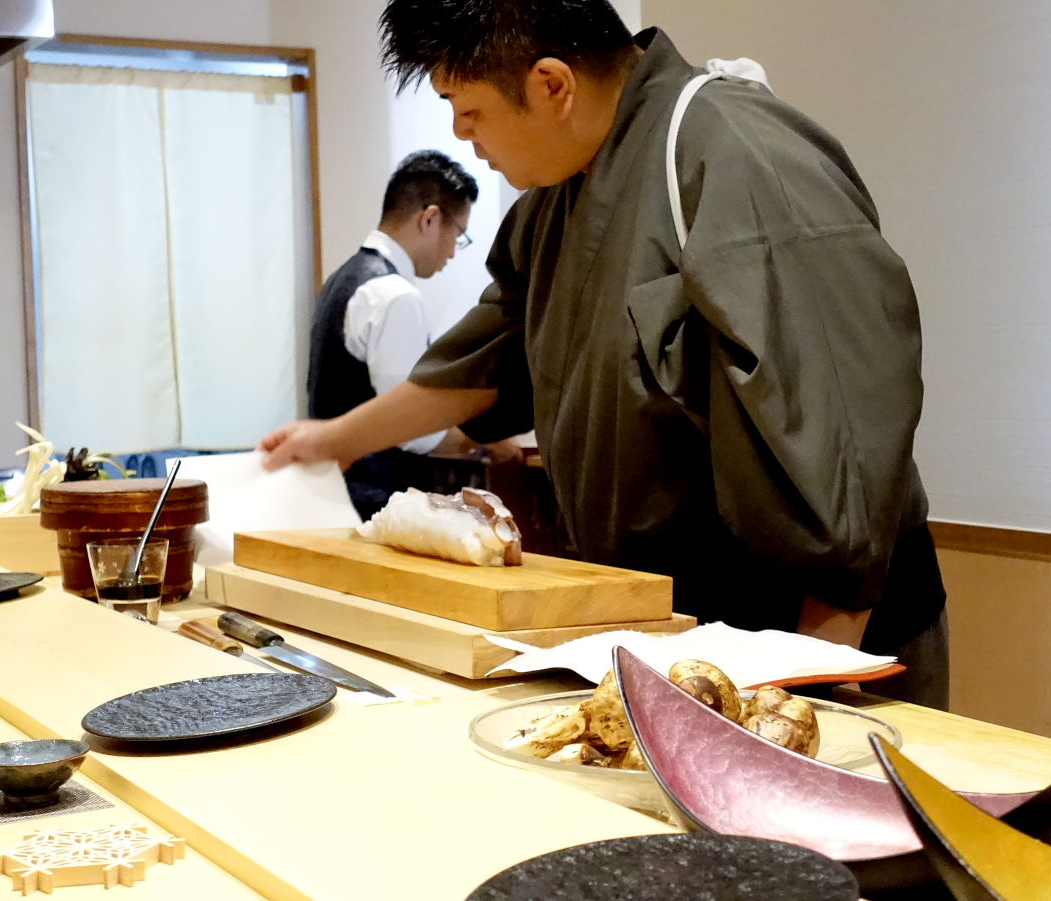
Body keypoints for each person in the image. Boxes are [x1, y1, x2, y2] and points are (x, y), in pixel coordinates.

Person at [265, 1, 949, 708]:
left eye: (466, 109)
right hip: (674, 628)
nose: (459, 134)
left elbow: (846, 443)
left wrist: (813, 682)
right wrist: (335, 439)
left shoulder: (740, 154)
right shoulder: (554, 200)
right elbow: (486, 360)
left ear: (552, 85)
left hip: (815, 636)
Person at [306, 150, 521, 518]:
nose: (454, 250)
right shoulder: (394, 295)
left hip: (333, 496)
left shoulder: (343, 279)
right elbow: (414, 433)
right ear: (430, 219)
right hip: (372, 503)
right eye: (459, 234)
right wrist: (490, 440)